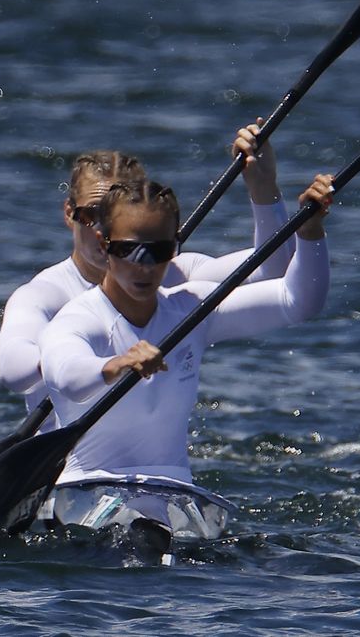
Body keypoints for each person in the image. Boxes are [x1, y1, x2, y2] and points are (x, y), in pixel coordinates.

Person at [36, 173, 333, 555]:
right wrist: (115, 365)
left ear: (175, 247)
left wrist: (310, 234)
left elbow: (299, 301)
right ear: (102, 243)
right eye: (130, 250)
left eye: (159, 251)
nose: (144, 266)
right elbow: (64, 373)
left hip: (175, 501)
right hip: (84, 501)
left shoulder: (191, 309)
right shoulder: (80, 318)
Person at [0, 120, 294, 425]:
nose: (103, 228)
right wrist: (90, 362)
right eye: (92, 215)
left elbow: (274, 268)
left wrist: (263, 186)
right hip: (66, 460)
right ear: (69, 214)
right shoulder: (45, 293)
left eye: (116, 216)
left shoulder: (178, 276)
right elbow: (13, 371)